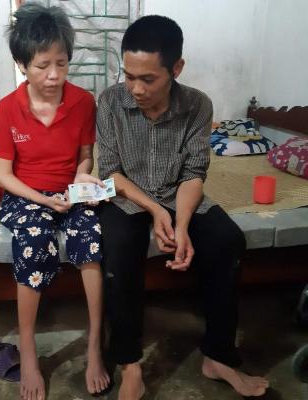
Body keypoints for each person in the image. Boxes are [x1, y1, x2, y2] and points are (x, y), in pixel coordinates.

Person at [97, 15, 270, 399]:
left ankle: (219, 357)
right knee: (119, 249)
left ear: (176, 69)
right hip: (128, 197)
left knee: (227, 240)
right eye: (129, 76)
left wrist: (182, 225)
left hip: (180, 193)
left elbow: (193, 174)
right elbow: (110, 174)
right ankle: (129, 363)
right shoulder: (110, 102)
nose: (135, 88)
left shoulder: (197, 105)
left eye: (148, 79)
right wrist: (157, 211)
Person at [0, 2, 110, 399]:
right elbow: (3, 175)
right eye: (43, 65)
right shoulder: (7, 109)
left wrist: (80, 179)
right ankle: (28, 352)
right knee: (35, 236)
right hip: (24, 194)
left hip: (68, 191)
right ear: (23, 64)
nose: (54, 75)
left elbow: (86, 156)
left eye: (62, 63)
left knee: (90, 237)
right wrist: (41, 199)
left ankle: (95, 345)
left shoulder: (83, 103)